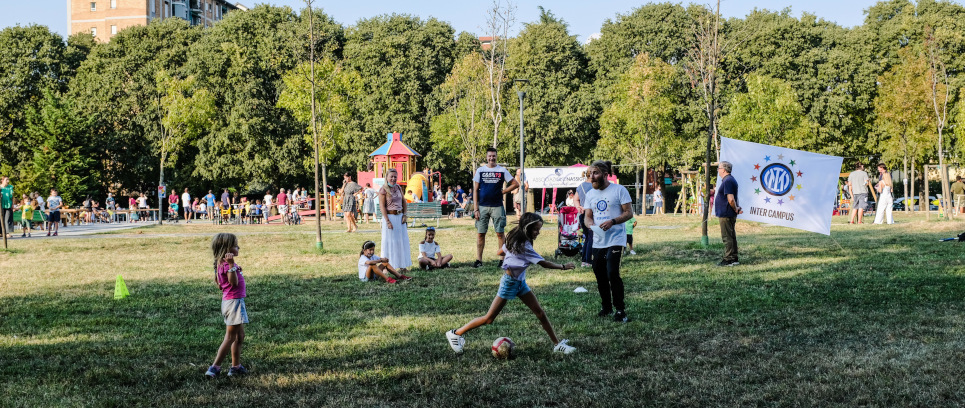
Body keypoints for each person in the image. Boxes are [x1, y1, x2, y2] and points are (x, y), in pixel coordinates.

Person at [445, 212, 577, 355]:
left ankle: (557, 344)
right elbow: (544, 263)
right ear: (527, 228)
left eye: (539, 229)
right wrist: (563, 266)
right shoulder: (523, 245)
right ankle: (456, 333)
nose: (538, 233)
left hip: (520, 282)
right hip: (509, 283)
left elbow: (499, 251)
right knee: (489, 319)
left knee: (540, 313)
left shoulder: (515, 238)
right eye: (536, 229)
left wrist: (509, 255)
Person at [583, 161, 634, 323]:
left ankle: (620, 310)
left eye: (595, 173)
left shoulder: (619, 190)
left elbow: (628, 213)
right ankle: (606, 307)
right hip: (598, 240)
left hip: (616, 239)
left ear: (605, 175)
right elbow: (588, 216)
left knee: (612, 272)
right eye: (590, 174)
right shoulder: (590, 194)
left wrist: (613, 221)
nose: (592, 177)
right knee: (599, 274)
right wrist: (589, 224)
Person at [205, 233, 249, 378]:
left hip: (231, 302)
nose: (238, 247)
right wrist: (231, 267)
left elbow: (221, 284)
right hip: (234, 303)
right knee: (230, 337)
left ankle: (236, 367)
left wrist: (235, 268)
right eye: (236, 245)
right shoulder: (226, 265)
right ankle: (214, 368)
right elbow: (233, 283)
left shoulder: (220, 264)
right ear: (227, 250)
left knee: (239, 336)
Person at [472, 147, 519, 268]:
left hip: (497, 206)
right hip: (482, 206)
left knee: (500, 233)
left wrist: (503, 192)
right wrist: (475, 209)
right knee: (480, 233)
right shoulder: (480, 170)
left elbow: (515, 184)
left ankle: (502, 260)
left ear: (496, 157)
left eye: (494, 156)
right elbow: (475, 190)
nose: (491, 158)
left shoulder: (502, 170)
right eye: (490, 156)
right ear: (486, 157)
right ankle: (479, 260)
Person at [379, 169, 412, 273]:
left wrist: (405, 215)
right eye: (391, 176)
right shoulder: (383, 189)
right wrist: (388, 221)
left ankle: (402, 265)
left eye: (395, 177)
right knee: (390, 241)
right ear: (387, 177)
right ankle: (387, 266)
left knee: (401, 241)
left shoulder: (398, 187)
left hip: (400, 217)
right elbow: (382, 207)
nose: (393, 179)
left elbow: (404, 201)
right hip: (390, 217)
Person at [715, 161, 743, 267]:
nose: (718, 170)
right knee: (731, 235)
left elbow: (730, 199)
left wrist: (735, 208)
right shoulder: (730, 180)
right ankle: (734, 258)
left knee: (727, 236)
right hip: (727, 212)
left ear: (724, 170)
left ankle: (729, 259)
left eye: (719, 168)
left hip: (726, 213)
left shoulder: (727, 181)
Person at [574, 171, 594, 268]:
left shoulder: (581, 186)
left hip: (582, 214)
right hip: (591, 214)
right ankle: (589, 261)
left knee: (587, 238)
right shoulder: (594, 186)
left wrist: (578, 207)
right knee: (591, 238)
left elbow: (575, 199)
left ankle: (584, 260)